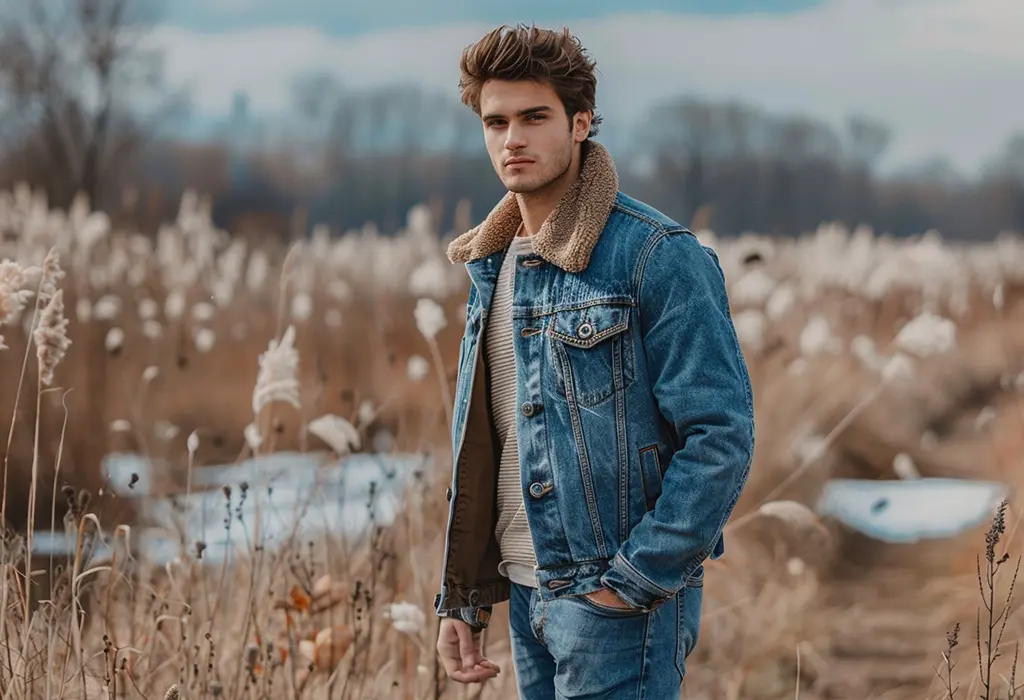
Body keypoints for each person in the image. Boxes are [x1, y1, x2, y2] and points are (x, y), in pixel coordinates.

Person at [433, 23, 755, 699]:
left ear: (581, 122)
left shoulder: (656, 256)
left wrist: (633, 581)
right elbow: (488, 445)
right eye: (496, 122)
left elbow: (720, 436)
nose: (512, 139)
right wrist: (462, 595)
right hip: (525, 592)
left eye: (534, 117)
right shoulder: (490, 267)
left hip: (614, 605)